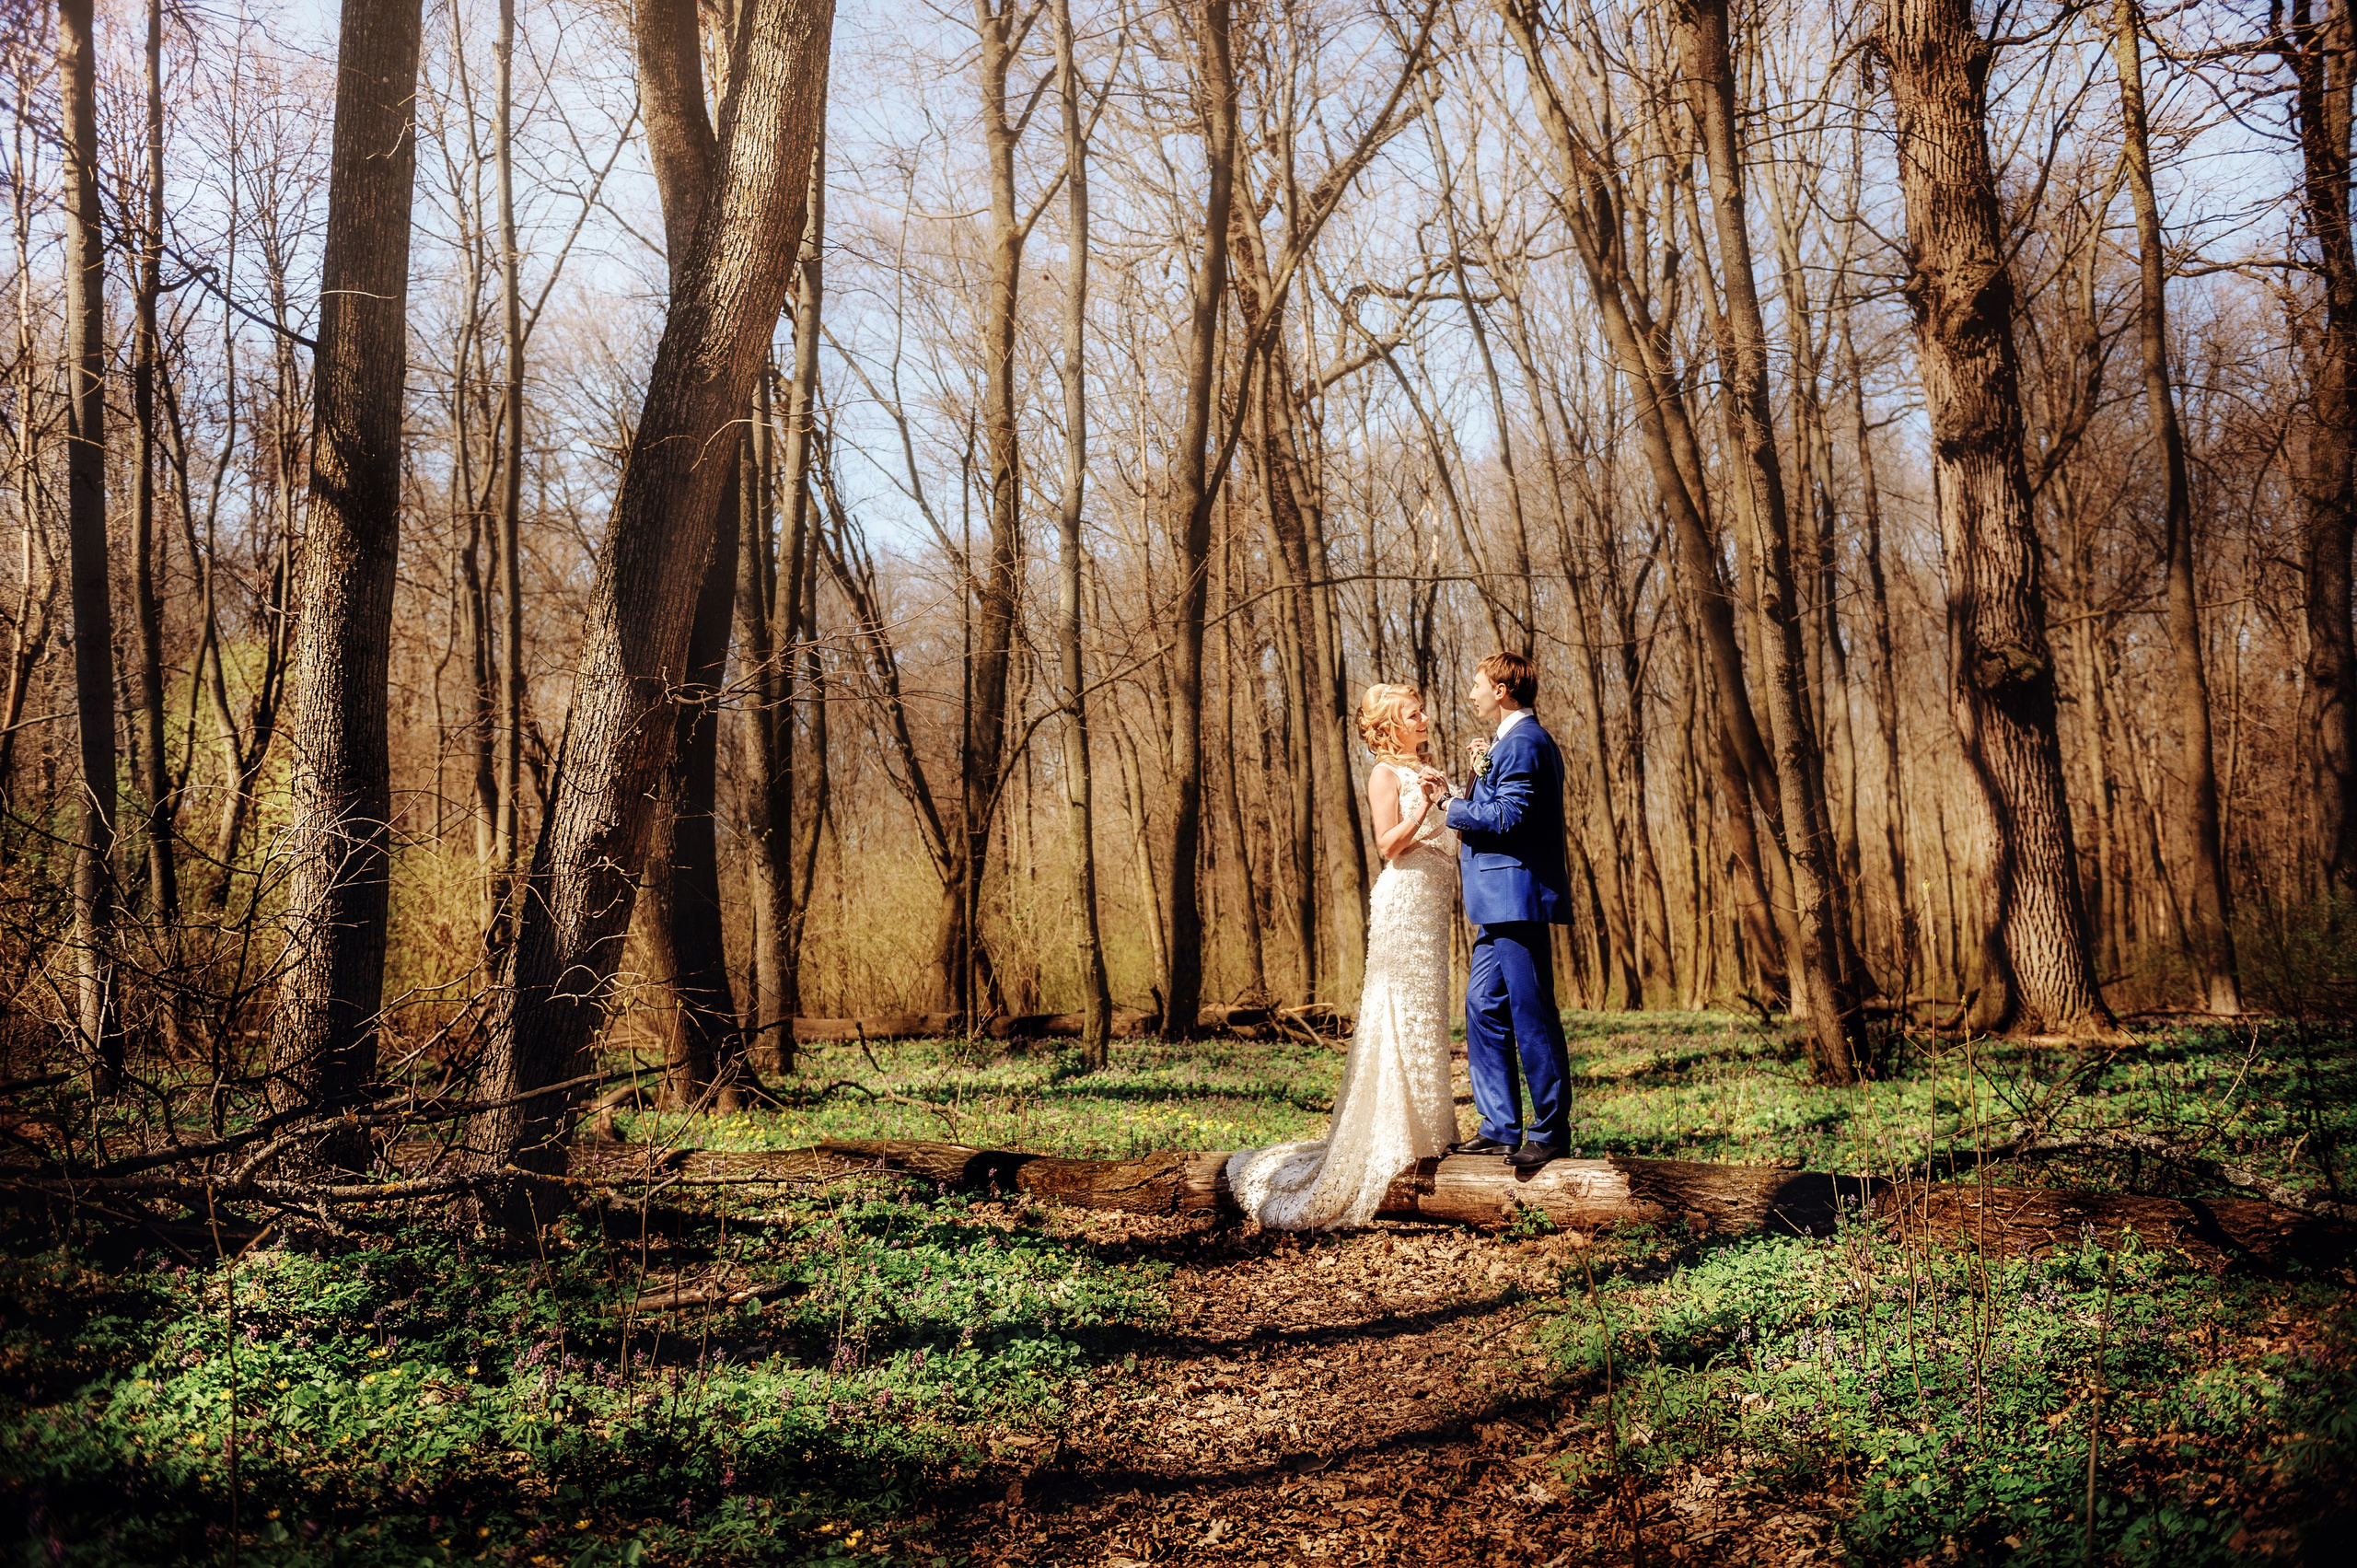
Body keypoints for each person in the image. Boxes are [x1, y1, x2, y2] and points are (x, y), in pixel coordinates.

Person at [1225, 684, 1462, 1230]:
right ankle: (1391, 1142)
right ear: (1389, 728)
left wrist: (1457, 795)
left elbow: (1452, 836)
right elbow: (1387, 844)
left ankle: (1429, 1136)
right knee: (1397, 1016)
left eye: (1422, 710)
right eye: (1413, 714)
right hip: (1402, 901)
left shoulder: (1433, 770)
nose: (1424, 718)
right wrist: (1426, 802)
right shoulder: (1386, 775)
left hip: (1433, 907)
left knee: (1426, 1021)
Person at [1436, 652, 1573, 1169]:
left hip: (1518, 898)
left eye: (1477, 685)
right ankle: (1498, 1127)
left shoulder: (1524, 741)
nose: (1471, 693)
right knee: (1483, 1008)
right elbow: (1501, 804)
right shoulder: (1508, 742)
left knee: (1531, 1014)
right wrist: (1464, 787)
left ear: (1501, 690)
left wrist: (1450, 808)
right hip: (1497, 903)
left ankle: (1551, 1130)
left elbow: (1510, 818)